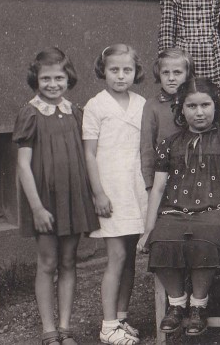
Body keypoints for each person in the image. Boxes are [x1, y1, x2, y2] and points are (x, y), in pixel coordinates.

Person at [137, 78, 220, 337]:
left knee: (203, 241)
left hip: (214, 211)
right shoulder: (169, 144)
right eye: (192, 106)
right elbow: (158, 188)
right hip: (174, 211)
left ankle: (198, 305)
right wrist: (148, 229)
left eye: (205, 105)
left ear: (216, 106)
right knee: (161, 242)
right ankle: (177, 303)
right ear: (181, 108)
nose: (199, 112)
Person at [13, 48, 100, 345]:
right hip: (45, 200)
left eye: (59, 78)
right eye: (46, 78)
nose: (53, 84)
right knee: (47, 262)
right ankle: (49, 331)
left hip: (72, 196)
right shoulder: (30, 113)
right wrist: (37, 208)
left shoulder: (75, 112)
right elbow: (23, 165)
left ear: (68, 78)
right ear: (35, 80)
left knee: (68, 261)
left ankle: (65, 328)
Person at [82, 44, 148, 345]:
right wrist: (98, 193)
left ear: (135, 72)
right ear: (103, 71)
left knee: (130, 258)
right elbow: (89, 153)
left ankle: (121, 318)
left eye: (127, 70)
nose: (121, 76)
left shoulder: (141, 103)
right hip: (110, 190)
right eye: (114, 70)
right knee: (117, 256)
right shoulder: (96, 105)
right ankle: (108, 326)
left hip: (135, 189)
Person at [140, 49, 194, 190]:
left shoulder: (195, 102)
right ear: (158, 74)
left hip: (195, 174)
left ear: (188, 74)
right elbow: (147, 149)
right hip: (164, 176)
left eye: (177, 72)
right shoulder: (152, 105)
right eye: (165, 72)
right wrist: (150, 186)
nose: (171, 78)